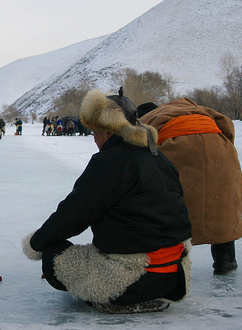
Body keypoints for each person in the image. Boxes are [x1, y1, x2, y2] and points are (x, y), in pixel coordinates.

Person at [22, 88, 192, 314]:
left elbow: (74, 214)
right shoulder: (158, 157)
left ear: (109, 130)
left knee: (53, 255)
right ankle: (151, 294)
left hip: (131, 279)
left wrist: (36, 244)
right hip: (176, 276)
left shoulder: (110, 161)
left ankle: (116, 299)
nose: (94, 138)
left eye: (96, 131)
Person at [138, 98, 242, 275]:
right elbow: (227, 125)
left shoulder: (145, 119)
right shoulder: (189, 108)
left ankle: (171, 266)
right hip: (221, 150)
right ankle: (225, 260)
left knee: (172, 208)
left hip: (180, 150)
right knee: (221, 208)